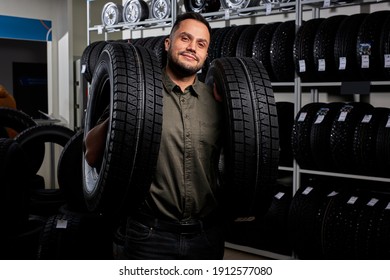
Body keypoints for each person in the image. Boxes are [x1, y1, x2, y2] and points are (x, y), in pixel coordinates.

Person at [84, 12, 225, 260]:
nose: (192, 47)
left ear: (206, 55)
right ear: (168, 43)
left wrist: (234, 107)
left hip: (206, 235)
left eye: (201, 44)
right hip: (150, 235)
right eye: (185, 38)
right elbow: (91, 153)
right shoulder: (134, 91)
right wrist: (123, 113)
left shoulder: (217, 103)